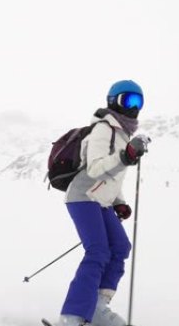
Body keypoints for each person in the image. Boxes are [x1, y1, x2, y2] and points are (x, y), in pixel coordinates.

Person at [55, 80, 151, 326]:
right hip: (83, 196)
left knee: (120, 247)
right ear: (113, 101)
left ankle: (97, 307)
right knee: (97, 251)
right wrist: (126, 155)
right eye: (128, 100)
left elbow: (114, 177)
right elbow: (97, 168)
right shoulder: (103, 129)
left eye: (138, 102)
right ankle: (73, 315)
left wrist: (119, 201)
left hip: (101, 201)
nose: (133, 107)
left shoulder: (123, 134)